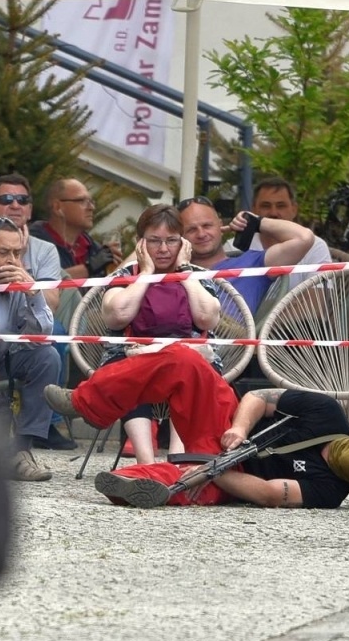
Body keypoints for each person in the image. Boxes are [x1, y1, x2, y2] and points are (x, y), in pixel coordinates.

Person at [43, 344, 349, 508]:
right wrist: (237, 428)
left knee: (188, 486)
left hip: (232, 477)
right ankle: (87, 404)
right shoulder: (329, 413)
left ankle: (130, 484)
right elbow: (260, 399)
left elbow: (268, 493)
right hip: (226, 426)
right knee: (184, 361)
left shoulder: (332, 492)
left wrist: (212, 471)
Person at [94, 203, 222, 463]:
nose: (163, 249)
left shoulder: (197, 275)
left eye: (171, 241)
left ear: (183, 243)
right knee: (133, 372)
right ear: (141, 243)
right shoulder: (125, 275)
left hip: (190, 358)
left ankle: (178, 457)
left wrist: (185, 273)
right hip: (131, 358)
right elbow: (117, 316)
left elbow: (208, 318)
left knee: (186, 368)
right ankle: (146, 463)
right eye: (154, 241)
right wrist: (146, 274)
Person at [0, 172, 72, 449]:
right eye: (6, 199)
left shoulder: (37, 255)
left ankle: (26, 445)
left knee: (48, 350)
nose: (15, 205)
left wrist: (30, 288)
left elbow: (46, 316)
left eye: (22, 199)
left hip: (12, 346)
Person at [0, 216, 59, 481]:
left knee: (47, 357)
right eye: (3, 252)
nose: (12, 260)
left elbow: (40, 334)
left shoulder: (18, 279)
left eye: (17, 252)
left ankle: (22, 450)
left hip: (5, 357)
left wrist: (32, 292)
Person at [175, 195, 315, 315]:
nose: (201, 234)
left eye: (207, 226)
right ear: (181, 236)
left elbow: (304, 238)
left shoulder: (252, 264)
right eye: (192, 230)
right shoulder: (174, 270)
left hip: (230, 344)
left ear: (220, 225)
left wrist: (255, 221)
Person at [249, 176, 334, 315]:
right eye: (266, 206)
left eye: (281, 206)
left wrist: (261, 326)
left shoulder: (315, 246)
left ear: (294, 209)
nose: (273, 213)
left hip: (296, 332)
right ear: (254, 210)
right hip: (240, 334)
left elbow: (315, 305)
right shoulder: (235, 247)